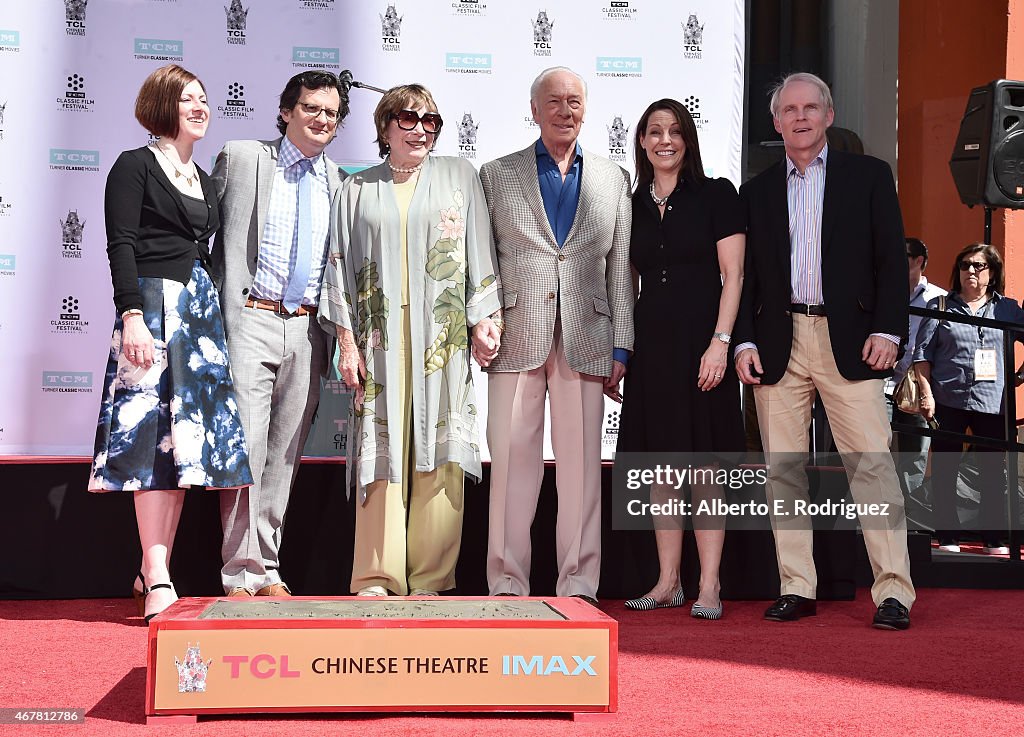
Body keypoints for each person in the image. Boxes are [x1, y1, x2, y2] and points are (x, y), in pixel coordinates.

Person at [734, 72, 916, 630]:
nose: (800, 117)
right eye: (789, 109)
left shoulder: (869, 177)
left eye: (811, 107)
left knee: (872, 467)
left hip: (852, 339)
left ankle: (893, 593)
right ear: (776, 122)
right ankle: (797, 585)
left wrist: (889, 330)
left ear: (829, 115)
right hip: (779, 340)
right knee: (783, 470)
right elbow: (746, 278)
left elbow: (892, 260)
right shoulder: (757, 190)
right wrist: (741, 339)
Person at [321, 83, 502, 596]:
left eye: (431, 121)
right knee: (381, 452)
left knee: (441, 451)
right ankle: (377, 575)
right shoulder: (355, 189)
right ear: (384, 127)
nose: (421, 129)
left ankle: (432, 577)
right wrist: (348, 345)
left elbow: (480, 255)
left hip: (441, 342)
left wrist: (484, 320)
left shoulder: (458, 177)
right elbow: (338, 269)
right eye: (409, 118)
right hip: (377, 341)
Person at [88, 64, 252, 621]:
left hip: (197, 318)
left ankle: (150, 568)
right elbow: (122, 245)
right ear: (162, 106)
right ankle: (158, 575)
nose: (201, 107)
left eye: (204, 98)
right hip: (151, 313)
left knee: (182, 451)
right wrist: (131, 315)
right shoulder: (133, 166)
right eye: (188, 99)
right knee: (151, 450)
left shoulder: (204, 179)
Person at [480, 67, 633, 603]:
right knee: (511, 468)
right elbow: (483, 259)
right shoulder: (497, 174)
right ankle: (506, 580)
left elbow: (620, 268)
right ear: (534, 109)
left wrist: (623, 344)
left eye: (574, 101)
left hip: (588, 336)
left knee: (583, 471)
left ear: (585, 109)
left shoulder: (614, 179)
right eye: (554, 101)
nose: (565, 110)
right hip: (515, 335)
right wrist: (483, 319)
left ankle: (579, 582)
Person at [212, 70, 350, 597]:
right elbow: (206, 231)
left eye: (331, 113)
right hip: (252, 317)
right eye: (311, 108)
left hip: (307, 329)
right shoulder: (244, 158)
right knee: (246, 447)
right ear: (287, 110)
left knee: (285, 453)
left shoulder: (339, 182)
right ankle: (239, 571)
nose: (321, 119)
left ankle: (267, 568)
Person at [617, 99, 745, 620]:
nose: (664, 140)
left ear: (687, 139)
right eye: (654, 132)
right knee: (661, 470)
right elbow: (625, 281)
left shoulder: (716, 194)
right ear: (642, 142)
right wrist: (622, 351)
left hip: (702, 342)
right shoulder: (632, 204)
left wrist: (720, 342)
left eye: (674, 131)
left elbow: (733, 276)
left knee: (706, 467)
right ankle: (668, 581)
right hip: (652, 348)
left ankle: (709, 584)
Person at [914, 243, 1024, 555]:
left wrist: (1018, 377)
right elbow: (923, 356)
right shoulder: (940, 306)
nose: (971, 271)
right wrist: (927, 395)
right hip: (948, 399)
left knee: (993, 471)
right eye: (965, 265)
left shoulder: (1007, 309)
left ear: (993, 272)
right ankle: (947, 536)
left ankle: (993, 538)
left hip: (992, 401)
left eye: (978, 266)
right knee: (946, 470)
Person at [888, 238, 946, 501]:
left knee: (914, 456)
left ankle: (910, 521)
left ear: (919, 261)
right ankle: (871, 514)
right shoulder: (882, 291)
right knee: (872, 450)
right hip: (883, 382)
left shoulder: (938, 298)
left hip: (916, 385)